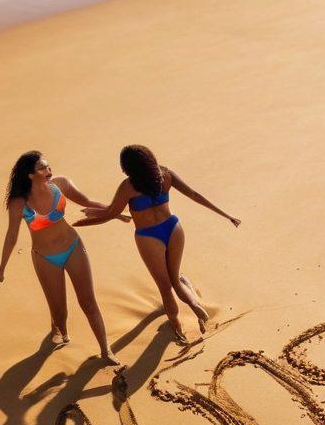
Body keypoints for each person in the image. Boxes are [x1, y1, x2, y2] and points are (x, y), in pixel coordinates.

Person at [74, 144, 240, 343]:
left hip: (149, 237)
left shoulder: (128, 186)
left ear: (128, 167)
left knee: (165, 286)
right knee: (175, 280)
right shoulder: (165, 175)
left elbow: (112, 213)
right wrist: (227, 215)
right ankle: (196, 307)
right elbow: (194, 195)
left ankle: (178, 328)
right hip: (173, 228)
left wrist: (83, 223)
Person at [0, 150, 121, 363]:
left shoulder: (60, 184)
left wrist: (114, 212)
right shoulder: (19, 203)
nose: (49, 170)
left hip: (73, 247)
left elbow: (87, 201)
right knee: (59, 312)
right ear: (30, 174)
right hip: (45, 258)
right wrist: (2, 267)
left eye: (48, 166)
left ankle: (105, 349)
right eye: (43, 168)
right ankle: (58, 327)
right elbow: (11, 236)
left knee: (88, 302)